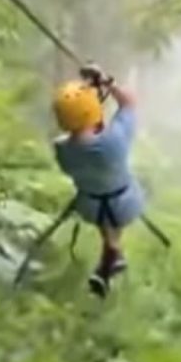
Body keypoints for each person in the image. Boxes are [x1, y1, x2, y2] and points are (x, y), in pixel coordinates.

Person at [51, 64, 144, 297]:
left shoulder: (62, 150)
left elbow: (79, 136)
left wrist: (90, 95)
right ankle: (112, 252)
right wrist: (106, 81)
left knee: (100, 196)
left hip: (90, 208)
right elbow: (129, 102)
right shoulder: (114, 142)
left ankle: (112, 254)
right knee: (115, 199)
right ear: (93, 111)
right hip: (125, 204)